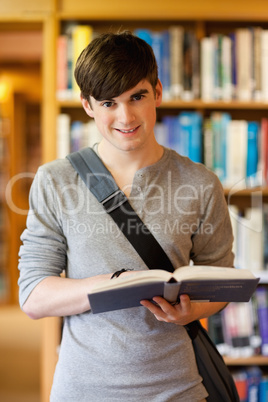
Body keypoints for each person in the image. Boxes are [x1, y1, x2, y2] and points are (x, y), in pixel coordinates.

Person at [18, 31, 234, 401]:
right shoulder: (55, 179)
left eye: (137, 96)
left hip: (178, 389)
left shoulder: (200, 182)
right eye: (108, 103)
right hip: (82, 390)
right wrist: (112, 285)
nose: (126, 116)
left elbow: (223, 279)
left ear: (158, 92)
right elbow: (34, 296)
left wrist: (192, 310)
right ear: (87, 105)